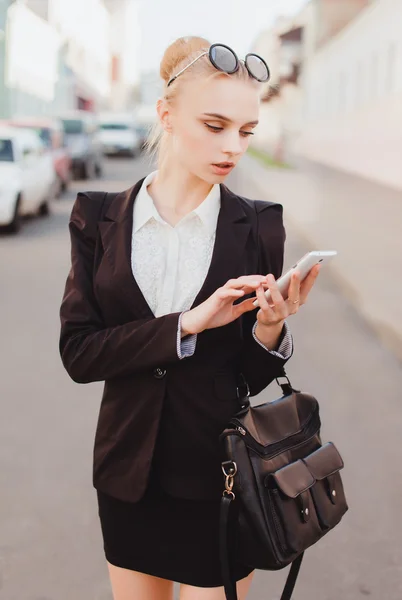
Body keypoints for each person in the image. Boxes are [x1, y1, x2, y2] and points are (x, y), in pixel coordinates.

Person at [59, 37, 320, 600]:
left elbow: (247, 378)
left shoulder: (258, 225)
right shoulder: (98, 217)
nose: (234, 147)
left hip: (223, 478)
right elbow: (80, 354)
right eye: (215, 124)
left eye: (246, 131)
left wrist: (271, 326)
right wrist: (188, 323)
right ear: (166, 115)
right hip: (129, 477)